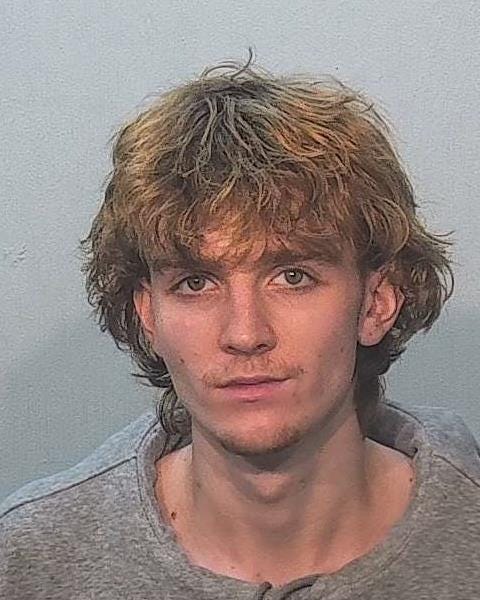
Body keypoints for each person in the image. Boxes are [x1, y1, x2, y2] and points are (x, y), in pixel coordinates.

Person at [1, 56, 479, 599]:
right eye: (196, 283)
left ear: (377, 302)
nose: (245, 334)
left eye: (292, 277)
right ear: (148, 314)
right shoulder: (28, 563)